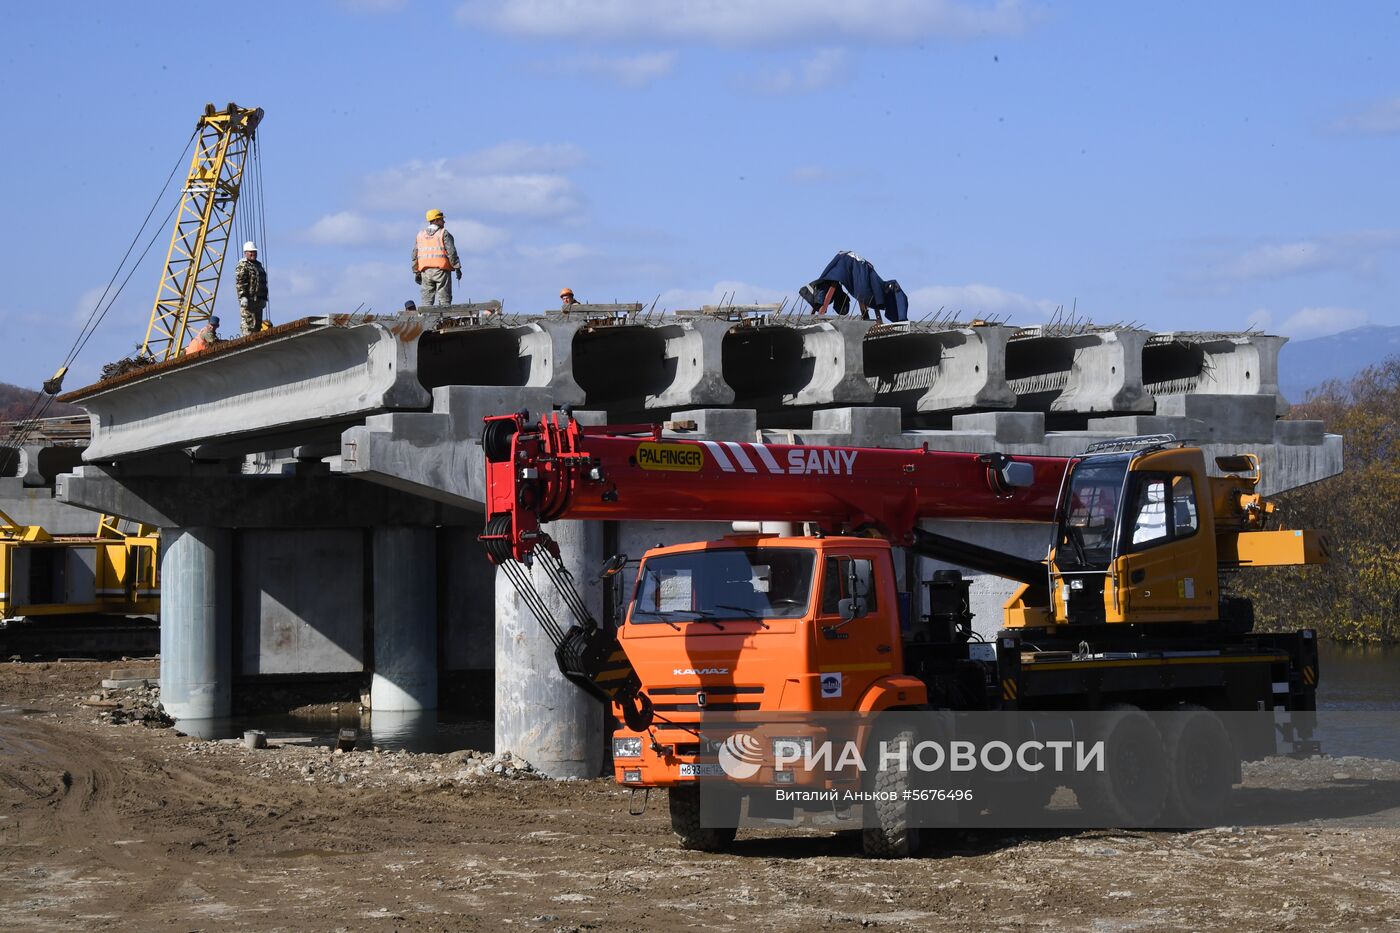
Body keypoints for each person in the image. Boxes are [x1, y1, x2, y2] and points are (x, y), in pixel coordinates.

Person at [412, 209, 462, 307]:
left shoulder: (420, 235)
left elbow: (415, 254)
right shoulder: (443, 233)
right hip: (441, 272)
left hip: (425, 273)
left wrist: (416, 271)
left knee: (426, 303)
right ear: (436, 220)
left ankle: (426, 321)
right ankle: (444, 322)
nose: (444, 221)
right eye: (441, 219)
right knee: (444, 301)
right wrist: (457, 268)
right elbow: (451, 252)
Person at [235, 241, 269, 335]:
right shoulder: (243, 265)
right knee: (248, 325)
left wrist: (263, 298)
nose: (253, 254)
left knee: (257, 326)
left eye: (254, 252)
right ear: (245, 253)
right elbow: (240, 282)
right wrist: (243, 297)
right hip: (248, 302)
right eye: (250, 252)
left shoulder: (258, 265)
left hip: (258, 301)